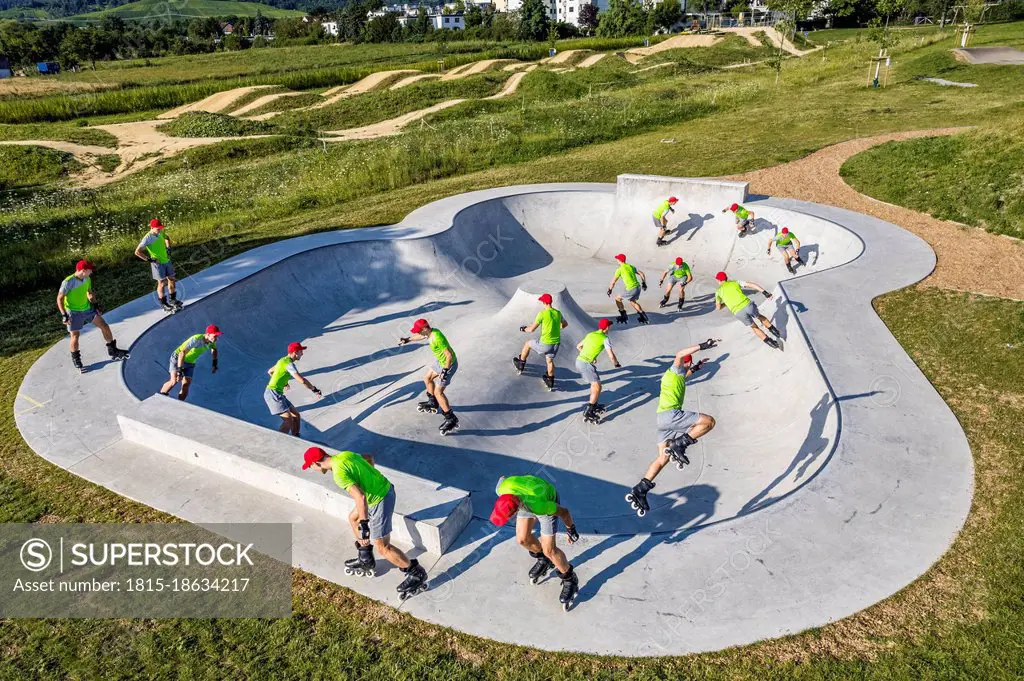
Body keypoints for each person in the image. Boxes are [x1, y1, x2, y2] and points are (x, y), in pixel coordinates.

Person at [302, 447, 428, 600]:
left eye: (310, 466)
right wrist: (370, 481)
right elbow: (369, 458)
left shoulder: (339, 474)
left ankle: (416, 573)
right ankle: (365, 557)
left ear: (316, 463)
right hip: (382, 489)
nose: (311, 468)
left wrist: (365, 524)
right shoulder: (345, 455)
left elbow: (360, 497)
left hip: (380, 499)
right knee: (352, 518)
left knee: (383, 547)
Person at [626, 342, 719, 517]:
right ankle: (680, 444)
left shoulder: (675, 376)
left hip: (662, 421)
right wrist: (702, 346)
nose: (689, 368)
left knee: (662, 458)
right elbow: (680, 354)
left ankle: (640, 489)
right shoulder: (675, 368)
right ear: (686, 363)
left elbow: (685, 375)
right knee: (709, 422)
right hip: (671, 415)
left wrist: (697, 367)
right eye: (689, 365)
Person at [490, 475, 580, 611]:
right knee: (522, 539)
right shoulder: (501, 488)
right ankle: (544, 560)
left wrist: (570, 529)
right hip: (525, 497)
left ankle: (570, 578)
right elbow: (502, 478)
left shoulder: (541, 505)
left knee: (549, 550)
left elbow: (564, 512)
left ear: (515, 511)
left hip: (544, 497)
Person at [56, 259, 130, 372]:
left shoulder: (87, 278)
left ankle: (113, 350)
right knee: (75, 335)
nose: (92, 272)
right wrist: (64, 315)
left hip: (87, 309)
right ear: (83, 270)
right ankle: (76, 359)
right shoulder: (68, 282)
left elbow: (89, 292)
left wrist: (95, 305)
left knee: (104, 326)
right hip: (73, 312)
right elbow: (59, 298)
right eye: (90, 270)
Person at [399, 319, 459, 435]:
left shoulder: (437, 337)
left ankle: (451, 419)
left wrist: (445, 371)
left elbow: (449, 355)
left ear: (425, 329)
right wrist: (408, 339)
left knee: (438, 392)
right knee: (427, 378)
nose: (418, 333)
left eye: (419, 331)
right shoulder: (430, 333)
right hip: (440, 362)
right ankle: (433, 403)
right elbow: (420, 337)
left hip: (448, 365)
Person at [265, 341, 322, 436]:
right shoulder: (289, 364)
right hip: (273, 394)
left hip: (277, 393)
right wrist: (314, 389)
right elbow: (302, 380)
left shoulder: (282, 360)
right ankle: (279, 441)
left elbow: (270, 372)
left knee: (296, 416)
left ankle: (296, 437)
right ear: (295, 352)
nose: (302, 354)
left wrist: (284, 383)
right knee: (288, 421)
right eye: (301, 351)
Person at [513, 293, 568, 391]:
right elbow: (565, 324)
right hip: (556, 344)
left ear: (543, 302)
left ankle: (520, 364)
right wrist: (557, 328)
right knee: (550, 361)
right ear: (551, 302)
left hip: (545, 343)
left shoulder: (542, 314)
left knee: (527, 344)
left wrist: (523, 329)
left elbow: (531, 330)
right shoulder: (558, 313)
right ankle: (550, 381)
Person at [714, 272, 781, 350]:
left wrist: (725, 303)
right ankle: (775, 331)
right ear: (726, 278)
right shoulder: (735, 282)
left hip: (738, 312)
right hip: (747, 305)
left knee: (754, 326)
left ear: (718, 280)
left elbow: (718, 307)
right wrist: (765, 293)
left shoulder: (718, 292)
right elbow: (752, 285)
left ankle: (772, 343)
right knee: (759, 316)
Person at [575, 318, 621, 424]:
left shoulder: (590, 334)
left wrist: (590, 357)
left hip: (580, 361)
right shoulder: (605, 338)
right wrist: (616, 363)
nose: (610, 327)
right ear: (606, 327)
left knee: (595, 385)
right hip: (585, 364)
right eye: (609, 325)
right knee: (597, 386)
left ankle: (594, 404)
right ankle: (589, 411)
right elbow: (611, 354)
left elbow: (578, 346)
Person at [160, 325, 222, 401]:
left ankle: (180, 404)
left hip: (190, 363)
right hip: (178, 358)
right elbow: (182, 353)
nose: (216, 338)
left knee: (186, 385)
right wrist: (179, 370)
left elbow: (214, 350)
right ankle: (161, 396)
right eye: (215, 336)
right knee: (174, 380)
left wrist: (214, 364)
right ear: (208, 334)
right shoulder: (196, 339)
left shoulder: (211, 341)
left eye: (217, 336)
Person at [134, 218, 182, 313]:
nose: (159, 230)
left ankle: (173, 300)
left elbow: (166, 238)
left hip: (166, 261)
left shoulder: (161, 232)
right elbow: (137, 252)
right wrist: (149, 259)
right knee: (162, 283)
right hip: (158, 264)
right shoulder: (147, 238)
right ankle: (164, 304)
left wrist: (168, 248)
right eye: (157, 229)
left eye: (160, 228)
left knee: (172, 279)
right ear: (152, 228)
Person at [607, 253, 649, 324]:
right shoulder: (631, 266)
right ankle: (644, 317)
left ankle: (624, 316)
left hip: (631, 288)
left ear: (619, 260)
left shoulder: (619, 269)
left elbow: (613, 281)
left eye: (617, 259)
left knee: (618, 299)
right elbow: (642, 273)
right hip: (638, 287)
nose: (616, 260)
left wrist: (610, 289)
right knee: (632, 301)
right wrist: (644, 283)